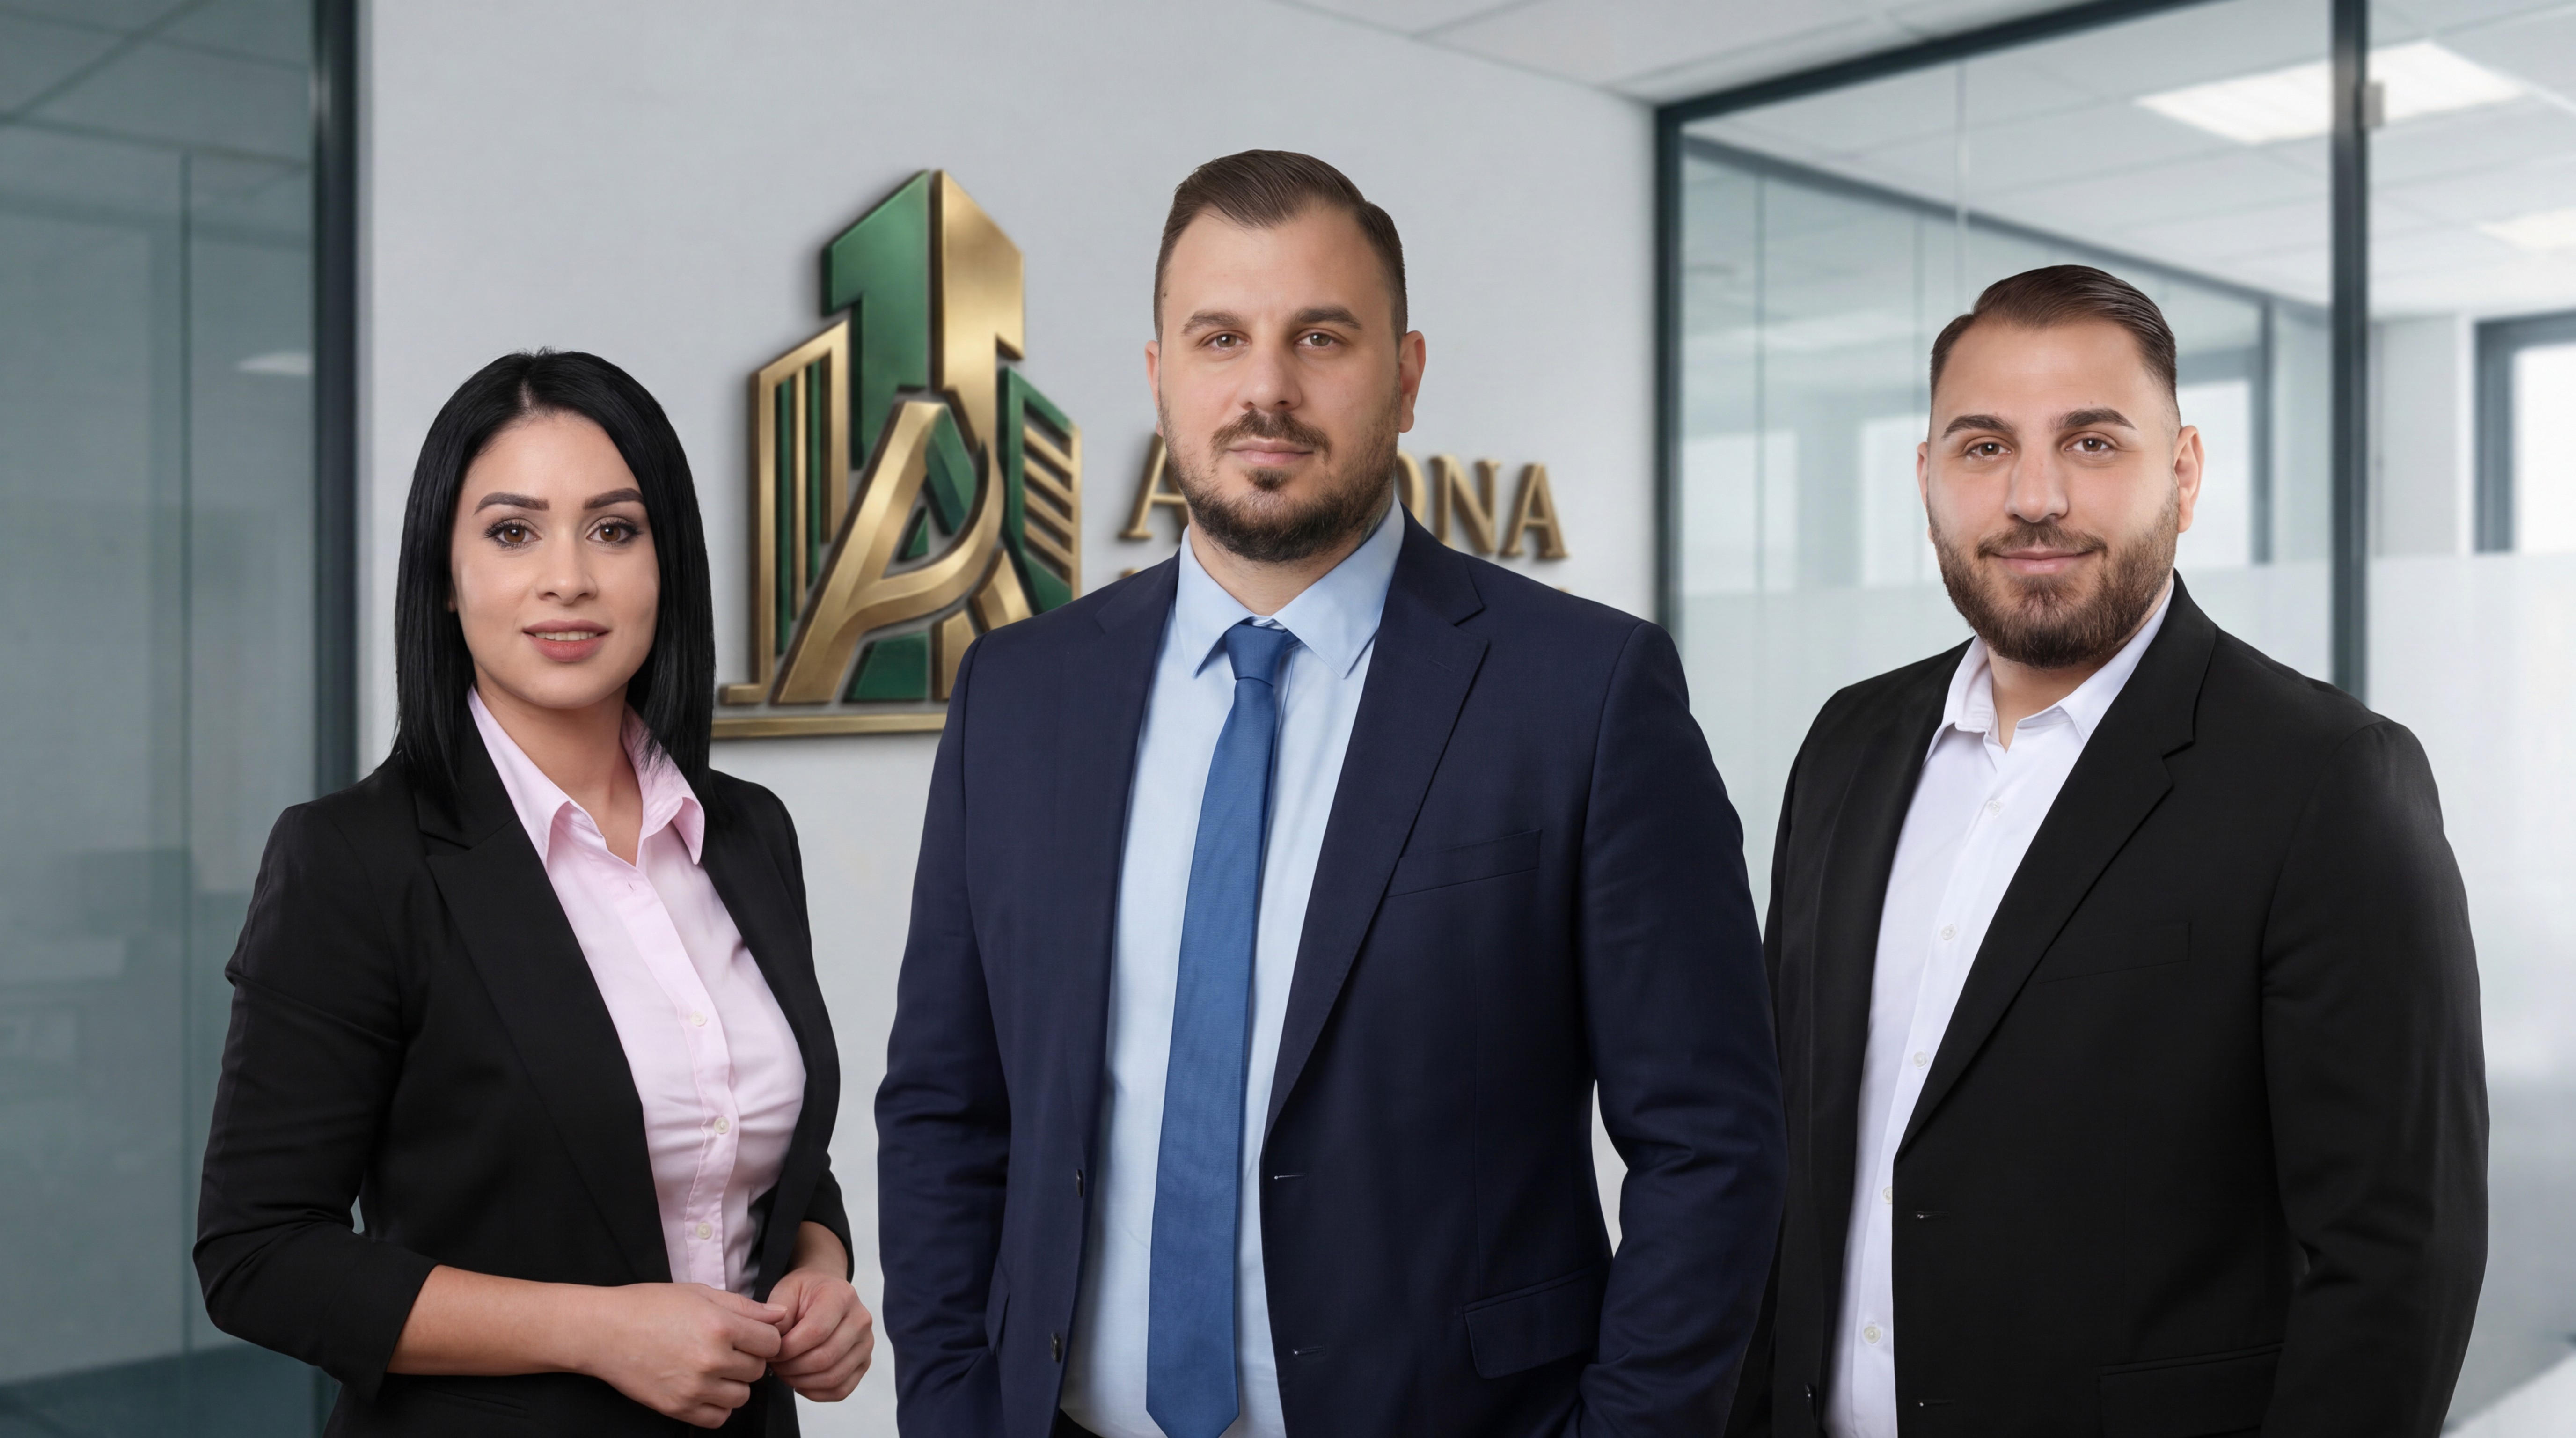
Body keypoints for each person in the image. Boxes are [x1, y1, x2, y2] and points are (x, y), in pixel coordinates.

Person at [876, 150, 1786, 1438]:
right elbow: (944, 1111)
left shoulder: (1584, 695)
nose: (1266, 389)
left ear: (1406, 377)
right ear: (1159, 376)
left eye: (1321, 336)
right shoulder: (1021, 697)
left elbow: (1712, 1146)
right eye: (1220, 339)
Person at [1725, 265, 2487, 1438]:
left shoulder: (2325, 779)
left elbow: (2394, 1263)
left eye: (2089, 443)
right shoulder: (1848, 745)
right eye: (1983, 448)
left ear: (2182, 472)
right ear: (1925, 480)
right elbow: (1792, 1157)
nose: (2034, 497)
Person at [195, 351, 874, 1434]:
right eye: (514, 532)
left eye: (615, 529)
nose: (570, 578)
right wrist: (598, 1330)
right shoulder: (355, 861)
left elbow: (758, 1149)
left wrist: (820, 1270)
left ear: (668, 564)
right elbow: (260, 1255)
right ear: (446, 571)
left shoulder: (745, 833)